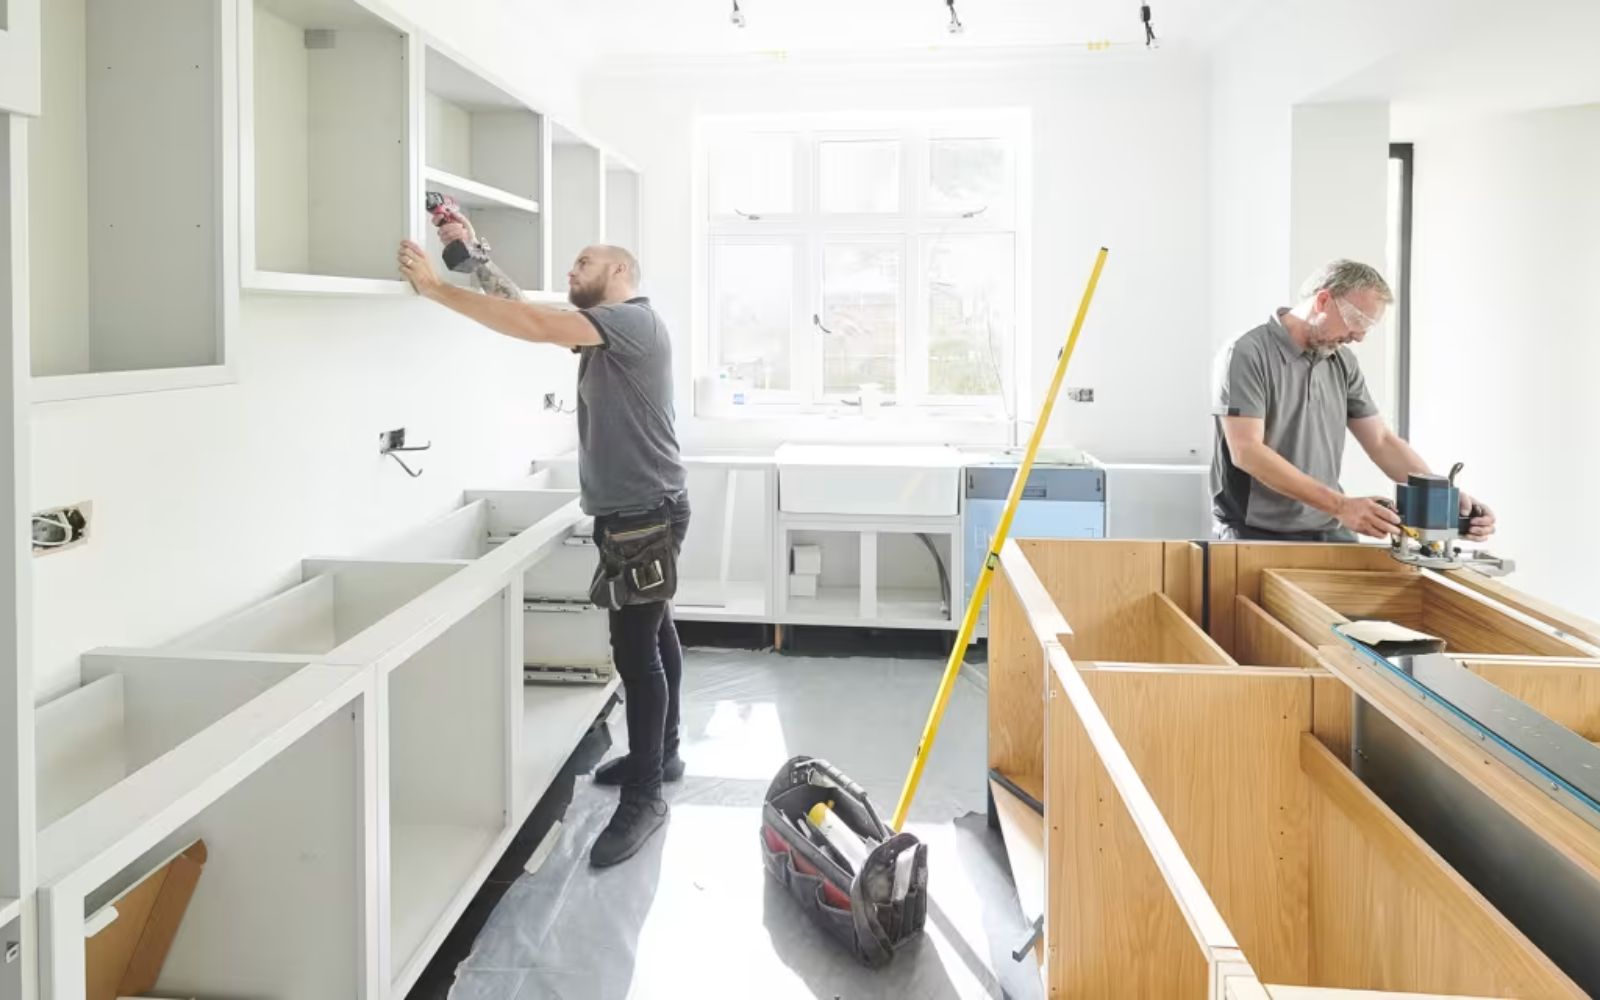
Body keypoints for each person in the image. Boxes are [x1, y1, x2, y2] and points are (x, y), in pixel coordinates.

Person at [398, 220, 688, 869]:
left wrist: (437, 289)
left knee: (635, 653)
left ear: (620, 271)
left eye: (584, 262)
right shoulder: (608, 331)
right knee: (656, 632)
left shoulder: (632, 322)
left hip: (643, 514)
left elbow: (532, 325)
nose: (570, 271)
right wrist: (472, 254)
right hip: (641, 509)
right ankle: (662, 754)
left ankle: (645, 797)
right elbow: (528, 311)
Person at [1212, 259, 1497, 543]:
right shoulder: (1248, 353)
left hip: (1328, 527)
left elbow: (1381, 442)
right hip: (1255, 532)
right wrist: (1341, 506)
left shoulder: (1342, 360)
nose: (1359, 337)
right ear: (1323, 301)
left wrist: (1443, 498)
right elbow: (1247, 451)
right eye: (1358, 321)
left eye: (1367, 327)